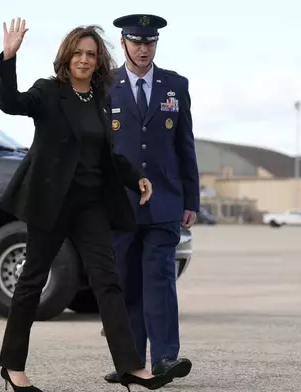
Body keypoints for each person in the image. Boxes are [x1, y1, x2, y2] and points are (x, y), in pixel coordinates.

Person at [0, 17, 184, 392]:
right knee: (32, 281)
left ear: (99, 61)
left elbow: (107, 152)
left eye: (91, 54)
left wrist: (135, 177)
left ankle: (130, 365)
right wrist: (8, 58)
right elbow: (9, 102)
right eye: (78, 53)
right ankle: (13, 367)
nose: (84, 59)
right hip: (51, 201)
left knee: (107, 281)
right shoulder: (49, 92)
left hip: (90, 204)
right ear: (67, 57)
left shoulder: (100, 98)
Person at [101, 14, 200, 384]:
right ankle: (129, 362)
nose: (144, 49)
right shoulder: (104, 84)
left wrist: (191, 197)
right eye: (137, 42)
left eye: (150, 43)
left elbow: (185, 145)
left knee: (160, 279)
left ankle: (164, 359)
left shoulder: (175, 85)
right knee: (126, 282)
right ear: (123, 43)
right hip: (119, 203)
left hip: (165, 203)